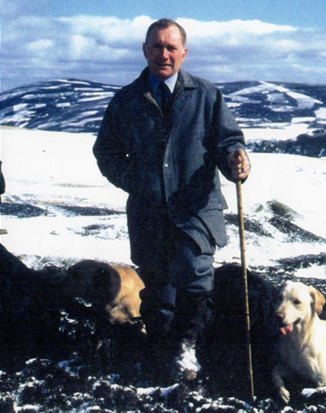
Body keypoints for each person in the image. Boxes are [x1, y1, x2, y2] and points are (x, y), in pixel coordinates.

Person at [93, 18, 250, 381]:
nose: (164, 54)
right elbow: (106, 152)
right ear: (146, 50)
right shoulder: (126, 100)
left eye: (171, 47)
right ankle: (162, 347)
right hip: (149, 211)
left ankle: (186, 346)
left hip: (196, 206)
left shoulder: (207, 96)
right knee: (158, 284)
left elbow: (229, 141)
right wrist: (134, 179)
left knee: (195, 273)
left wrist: (235, 159)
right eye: (157, 47)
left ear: (183, 52)